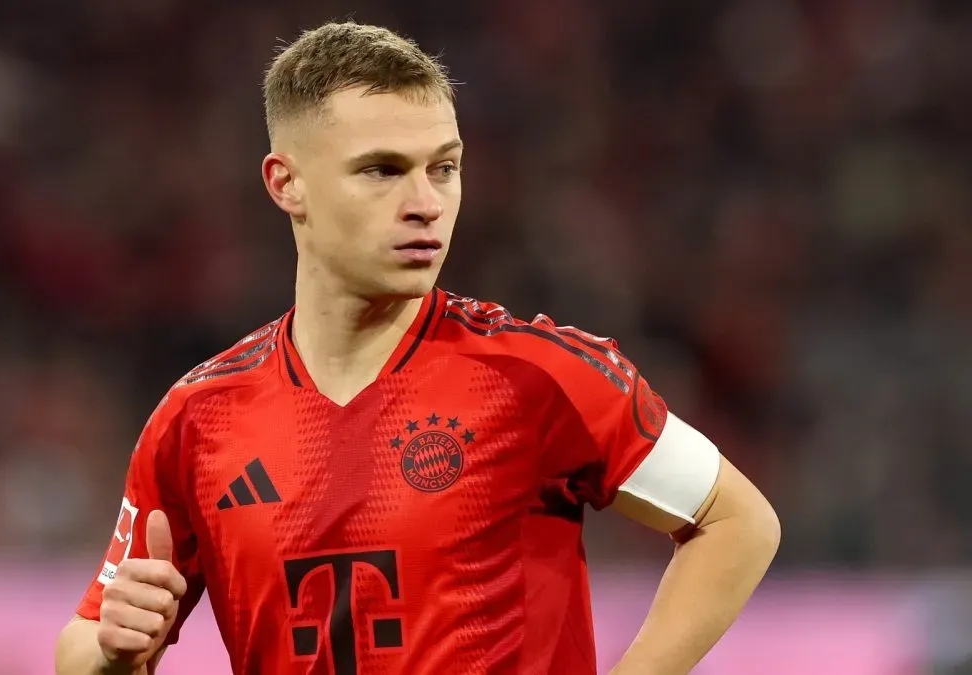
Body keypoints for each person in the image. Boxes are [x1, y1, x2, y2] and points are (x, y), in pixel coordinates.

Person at [55, 21, 780, 675]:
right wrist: (113, 651)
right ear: (287, 184)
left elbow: (738, 521)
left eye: (444, 167)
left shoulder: (534, 375)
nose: (426, 204)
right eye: (382, 170)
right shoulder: (198, 417)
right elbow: (84, 642)